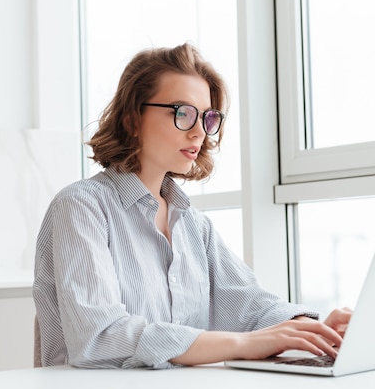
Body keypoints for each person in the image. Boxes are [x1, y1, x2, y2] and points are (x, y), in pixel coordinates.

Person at [33, 42, 352, 369]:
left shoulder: (193, 225)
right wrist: (241, 344)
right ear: (131, 120)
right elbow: (101, 337)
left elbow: (251, 307)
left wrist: (315, 328)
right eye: (183, 113)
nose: (200, 132)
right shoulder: (80, 207)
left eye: (207, 117)